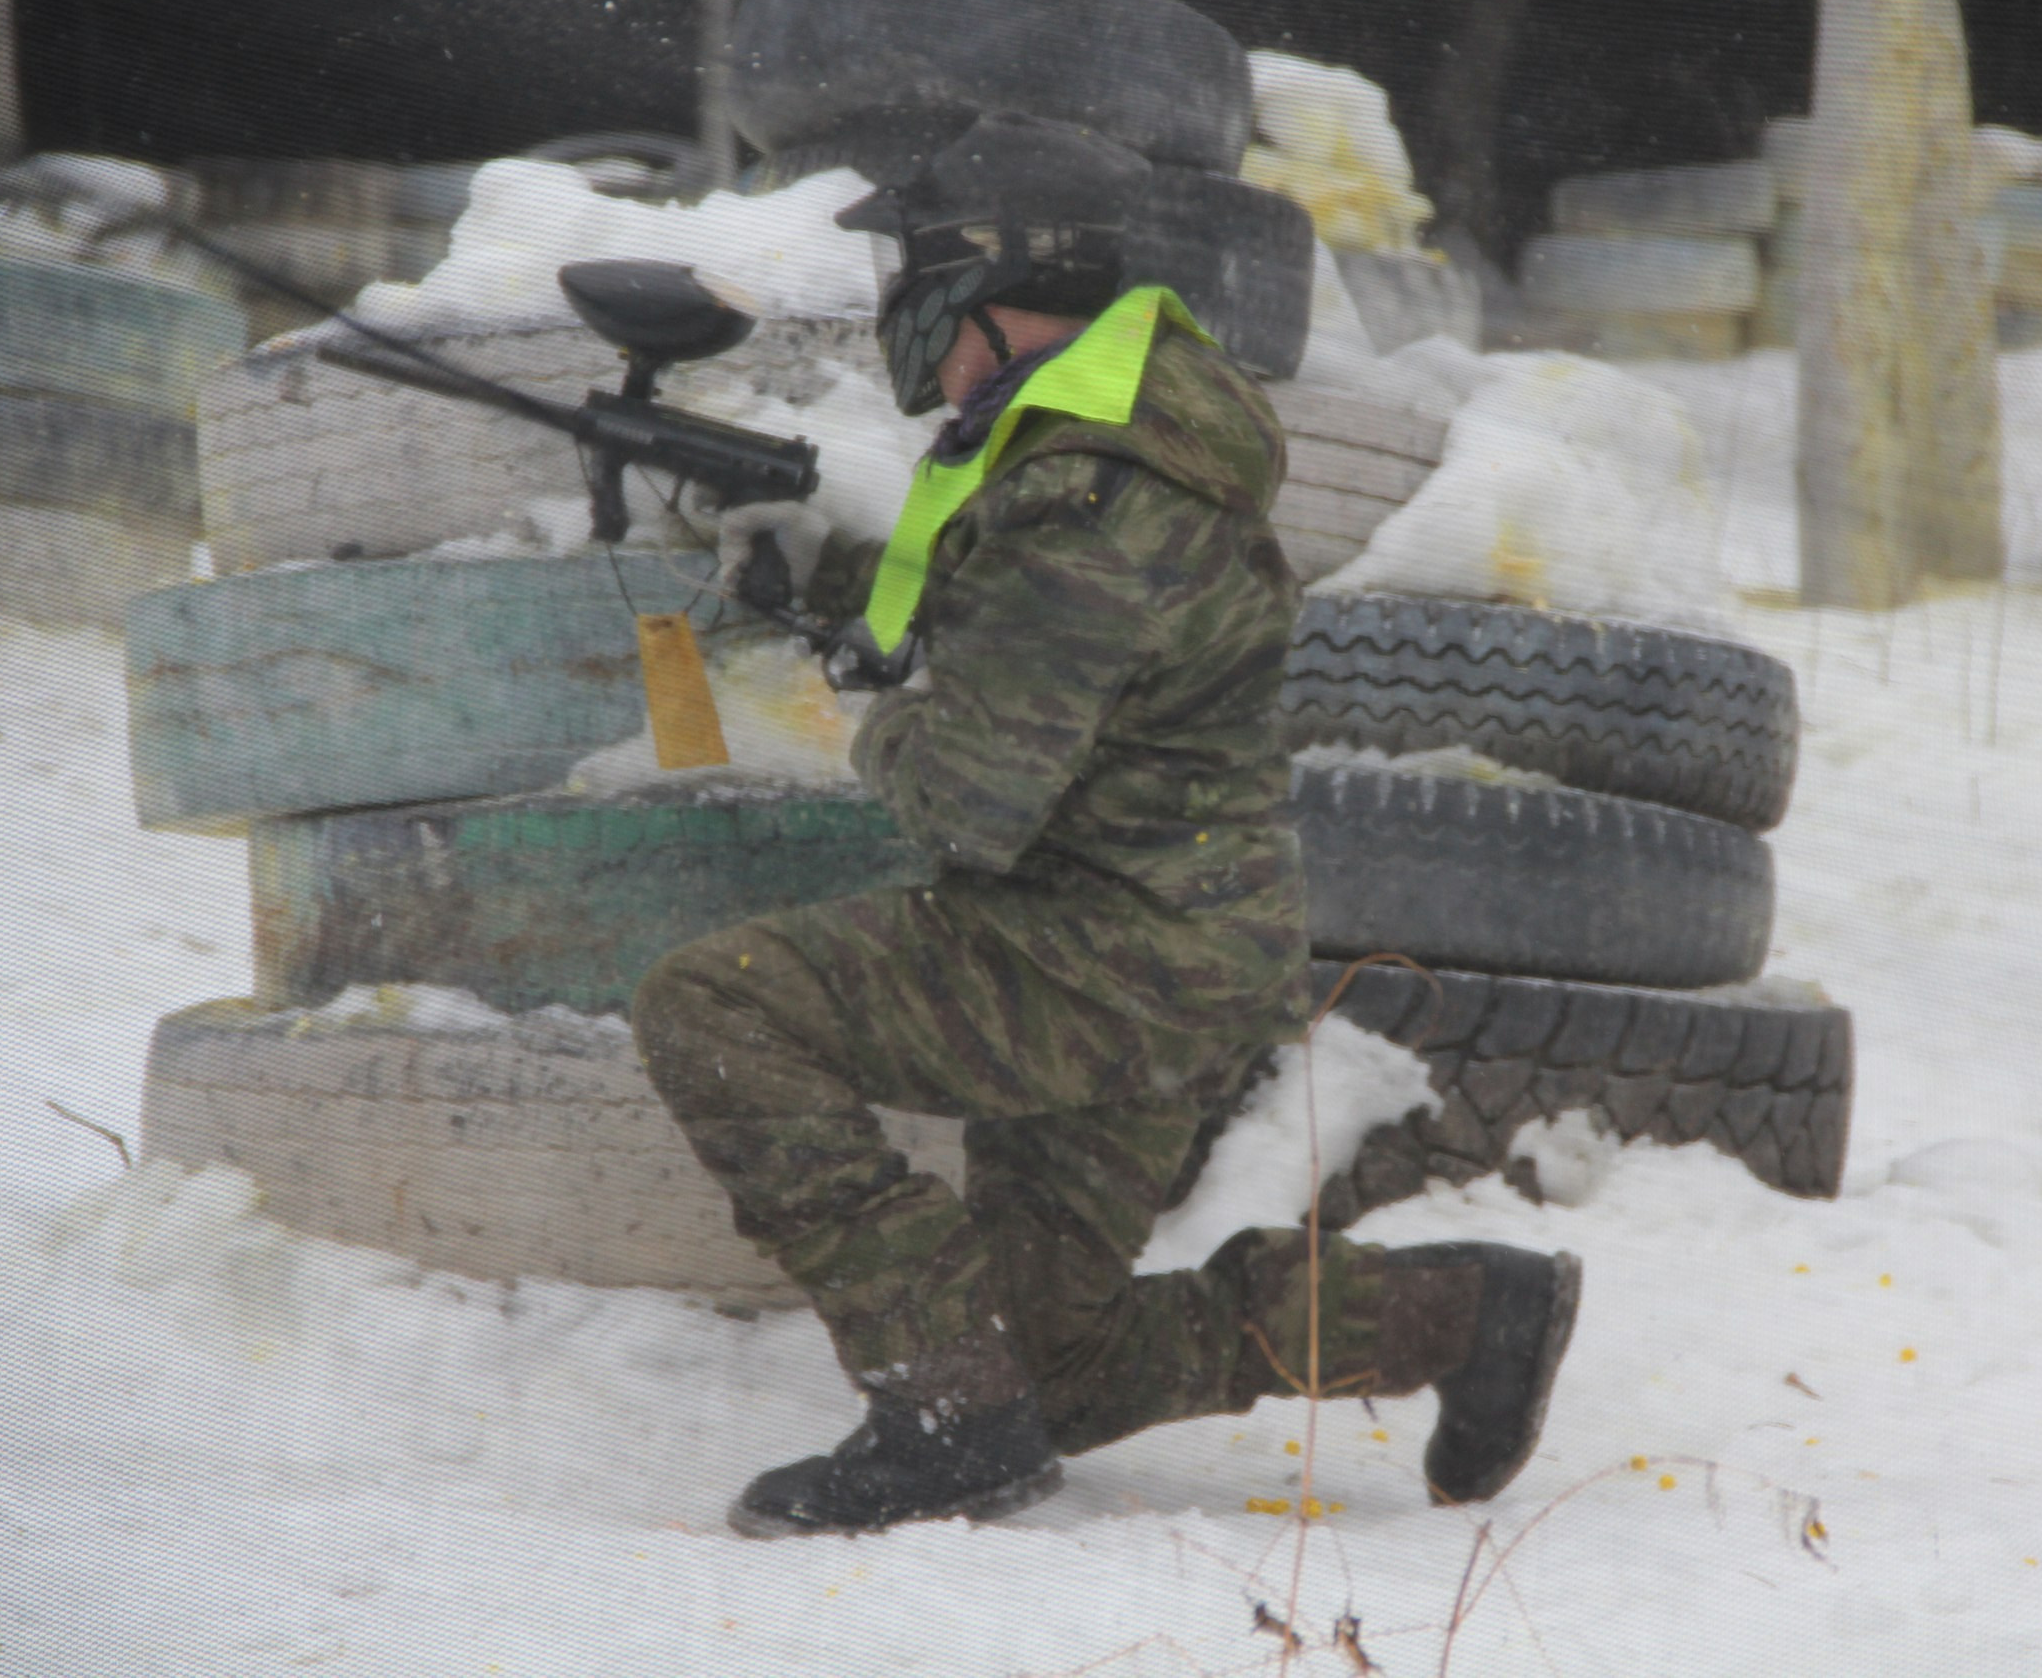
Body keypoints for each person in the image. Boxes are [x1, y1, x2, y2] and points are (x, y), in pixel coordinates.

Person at [628, 113, 1582, 1538]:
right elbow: (1043, 667)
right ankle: (1460, 1309)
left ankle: (943, 1409)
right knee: (1052, 1365)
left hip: (1108, 949)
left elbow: (971, 797)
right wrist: (850, 614)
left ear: (992, 287)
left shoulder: (1091, 490)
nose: (907, 320)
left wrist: (853, 715)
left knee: (715, 1003)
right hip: (1172, 939)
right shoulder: (1104, 444)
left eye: (917, 283)